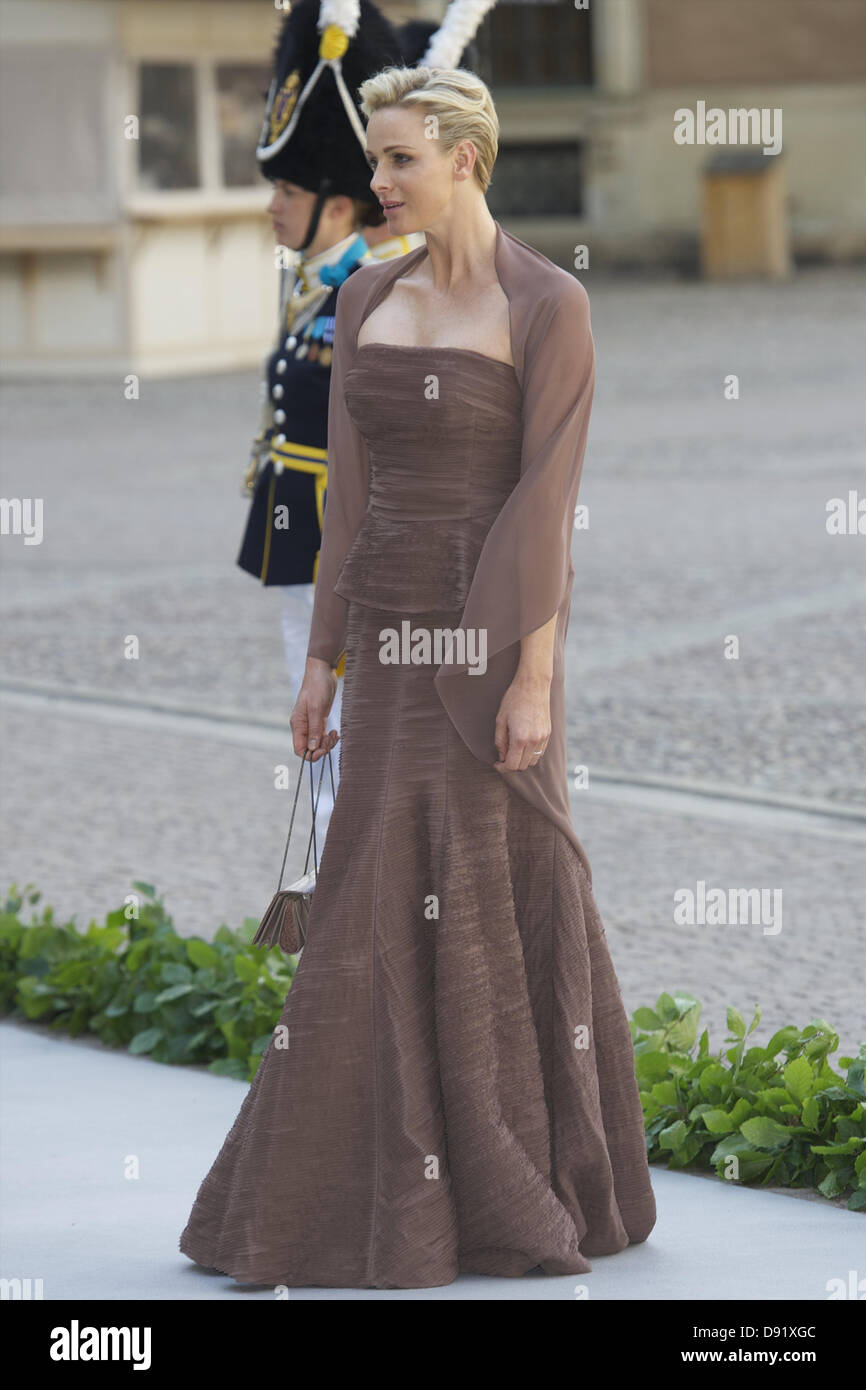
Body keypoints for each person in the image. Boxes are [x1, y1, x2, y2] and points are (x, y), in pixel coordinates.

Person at [181, 59, 656, 1291]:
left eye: (395, 159)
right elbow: (346, 501)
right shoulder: (364, 303)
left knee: (504, 883)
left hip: (493, 644)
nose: (375, 181)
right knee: (365, 894)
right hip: (386, 643)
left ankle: (519, 1178)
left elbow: (546, 505)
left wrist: (533, 681)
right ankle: (328, 1197)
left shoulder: (549, 305)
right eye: (374, 160)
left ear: (464, 160)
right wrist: (322, 664)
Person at [236, 0, 425, 836]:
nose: (274, 205)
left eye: (289, 189)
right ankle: (331, 871)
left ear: (339, 207)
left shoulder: (367, 293)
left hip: (336, 536)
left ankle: (346, 880)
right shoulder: (318, 287)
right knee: (313, 716)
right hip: (295, 527)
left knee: (344, 725)